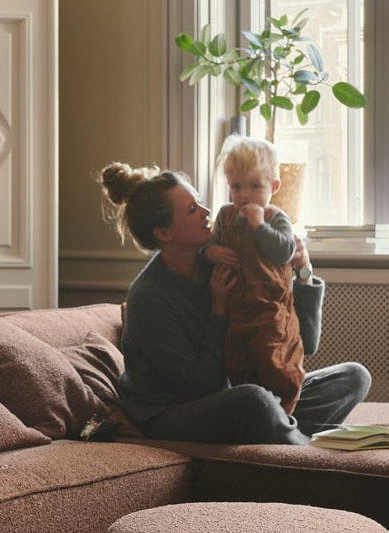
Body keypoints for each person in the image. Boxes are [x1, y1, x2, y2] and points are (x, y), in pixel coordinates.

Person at [98, 161, 370, 445]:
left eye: (200, 202)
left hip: (232, 394)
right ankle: (303, 448)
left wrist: (304, 273)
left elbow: (304, 342)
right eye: (192, 210)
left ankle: (281, 431)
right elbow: (200, 385)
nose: (206, 213)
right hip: (171, 413)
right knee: (254, 400)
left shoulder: (221, 261)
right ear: (164, 233)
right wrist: (219, 307)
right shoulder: (148, 296)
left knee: (352, 377)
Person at [206, 135, 304, 414]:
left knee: (275, 362)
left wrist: (259, 225)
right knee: (236, 362)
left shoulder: (275, 217)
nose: (244, 195)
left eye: (254, 186)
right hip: (235, 312)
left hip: (270, 312)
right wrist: (210, 253)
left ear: (273, 186)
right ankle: (251, 410)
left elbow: (285, 251)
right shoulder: (225, 216)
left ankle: (284, 412)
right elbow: (210, 245)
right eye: (236, 187)